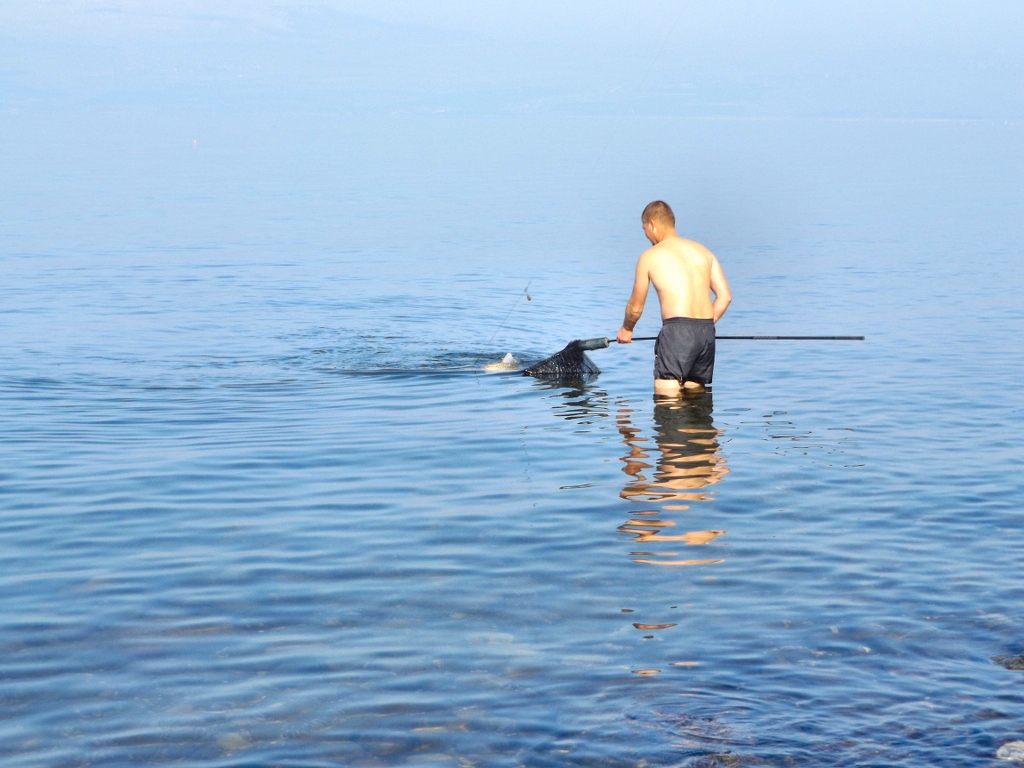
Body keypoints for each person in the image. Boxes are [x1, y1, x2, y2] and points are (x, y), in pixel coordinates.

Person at [617, 201, 732, 397]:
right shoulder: (703, 252)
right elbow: (725, 297)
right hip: (705, 333)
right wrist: (700, 327)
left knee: (667, 403)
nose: (646, 235)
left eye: (645, 229)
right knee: (696, 403)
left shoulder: (650, 256)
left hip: (677, 333)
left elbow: (636, 308)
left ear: (652, 224)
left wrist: (627, 329)